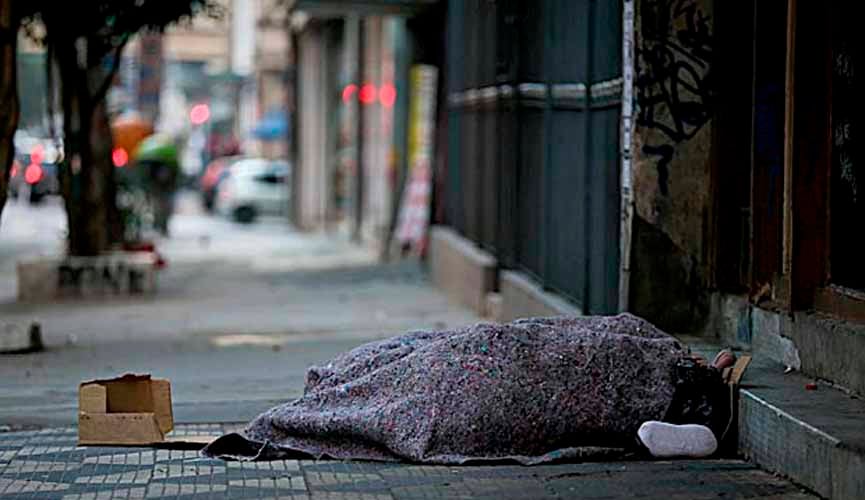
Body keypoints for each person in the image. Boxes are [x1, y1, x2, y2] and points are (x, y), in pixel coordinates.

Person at [202, 313, 734, 464]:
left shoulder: (359, 378)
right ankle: (671, 414)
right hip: (469, 380)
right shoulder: (363, 378)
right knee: (534, 373)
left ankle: (666, 417)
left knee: (533, 369)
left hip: (474, 370)